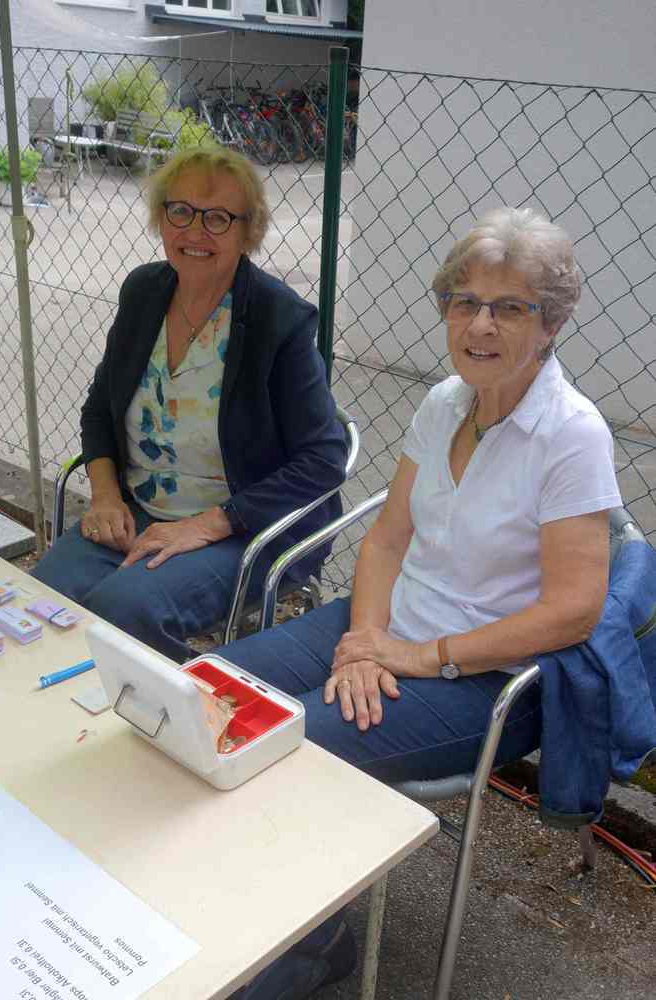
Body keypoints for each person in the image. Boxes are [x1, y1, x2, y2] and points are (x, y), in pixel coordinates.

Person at [217, 206, 623, 1000]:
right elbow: (385, 542)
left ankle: (310, 946)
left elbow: (572, 611)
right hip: (387, 627)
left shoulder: (571, 436)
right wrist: (366, 639)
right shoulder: (443, 402)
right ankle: (223, 898)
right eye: (463, 301)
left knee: (288, 751)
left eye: (510, 307)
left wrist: (415, 656)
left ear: (550, 324)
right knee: (212, 694)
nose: (479, 324)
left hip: (484, 678)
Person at [33, 147, 347, 662]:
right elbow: (100, 409)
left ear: (248, 231)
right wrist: (106, 496)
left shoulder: (278, 319)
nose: (195, 231)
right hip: (139, 511)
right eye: (180, 211)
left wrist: (208, 524)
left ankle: (187, 702)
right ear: (161, 217)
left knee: (123, 611)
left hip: (242, 529)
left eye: (218, 218)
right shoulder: (144, 293)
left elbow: (324, 459)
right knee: (44, 601)